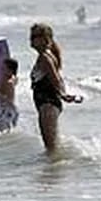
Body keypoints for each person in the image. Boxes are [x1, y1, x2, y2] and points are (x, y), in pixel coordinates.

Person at [29, 23, 82, 152]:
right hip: (47, 103)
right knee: (52, 146)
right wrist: (63, 93)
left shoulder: (45, 57)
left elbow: (55, 78)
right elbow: (59, 78)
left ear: (45, 39)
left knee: (50, 148)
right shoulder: (46, 56)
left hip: (48, 104)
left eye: (36, 36)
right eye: (32, 36)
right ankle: (57, 165)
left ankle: (55, 166)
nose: (32, 39)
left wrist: (63, 95)